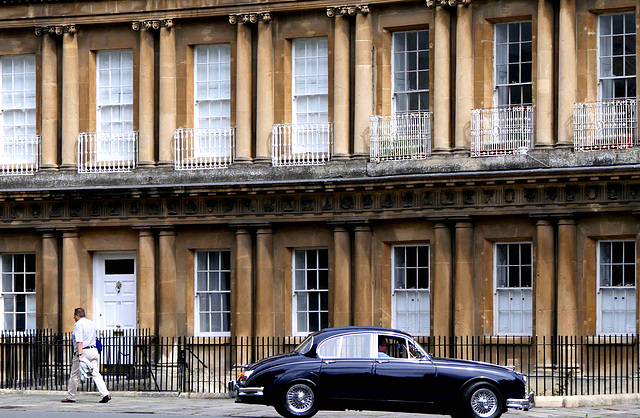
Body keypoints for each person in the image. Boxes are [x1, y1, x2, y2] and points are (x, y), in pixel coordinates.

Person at [61, 307, 111, 403]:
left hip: (83, 351)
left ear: (78, 315)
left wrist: (79, 355)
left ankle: (71, 396)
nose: (74, 317)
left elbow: (80, 342)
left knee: (75, 374)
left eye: (74, 316)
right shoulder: (91, 323)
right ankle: (105, 393)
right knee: (96, 373)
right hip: (93, 351)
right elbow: (95, 338)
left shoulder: (79, 325)